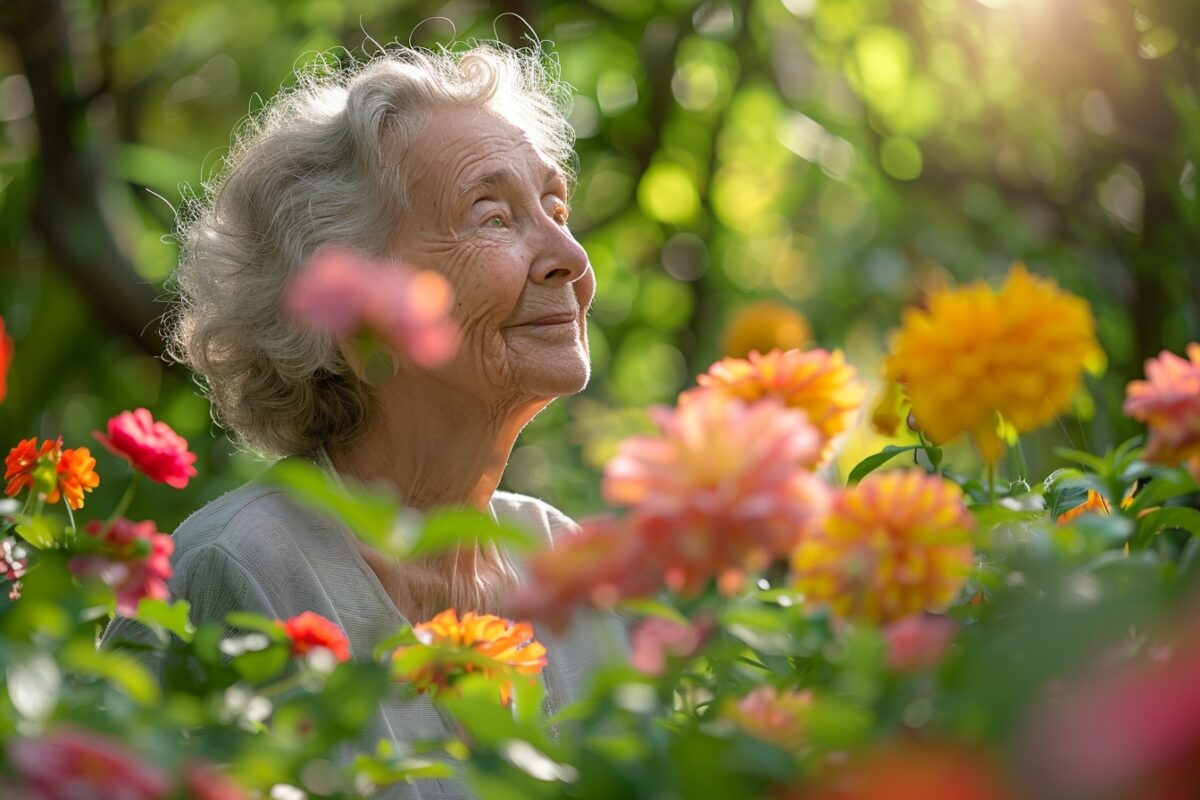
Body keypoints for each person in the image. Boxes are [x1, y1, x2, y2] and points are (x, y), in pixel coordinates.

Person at [102, 41, 626, 799]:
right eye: (493, 217)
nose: (570, 257)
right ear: (347, 304)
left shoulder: (566, 565)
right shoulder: (242, 567)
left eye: (555, 208)